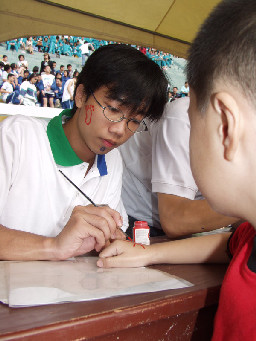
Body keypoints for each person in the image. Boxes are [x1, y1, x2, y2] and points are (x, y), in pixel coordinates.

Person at [97, 1, 256, 340]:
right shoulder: (250, 235)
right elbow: (229, 244)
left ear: (225, 125)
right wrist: (146, 255)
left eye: (193, 120)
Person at [0, 43, 168, 261]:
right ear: (80, 95)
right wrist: (54, 246)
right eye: (113, 109)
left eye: (134, 121)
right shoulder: (18, 136)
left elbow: (108, 240)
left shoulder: (112, 159)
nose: (119, 130)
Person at [119, 97, 238, 238]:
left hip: (189, 223)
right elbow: (174, 220)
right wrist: (248, 205)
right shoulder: (184, 116)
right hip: (138, 217)